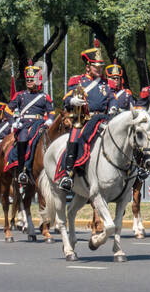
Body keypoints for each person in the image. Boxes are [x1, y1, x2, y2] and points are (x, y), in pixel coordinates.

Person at [58, 45, 113, 191]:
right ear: (88, 66)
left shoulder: (106, 84)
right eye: (96, 67)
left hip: (102, 120)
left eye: (101, 67)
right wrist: (72, 101)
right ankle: (67, 174)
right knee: (74, 138)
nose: (100, 70)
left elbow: (112, 98)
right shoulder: (78, 81)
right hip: (83, 120)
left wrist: (114, 107)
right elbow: (65, 99)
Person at [6, 63, 53, 184]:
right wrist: (13, 123)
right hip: (24, 125)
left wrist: (50, 120)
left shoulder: (44, 96)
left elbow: (51, 112)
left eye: (32, 80)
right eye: (28, 80)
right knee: (22, 139)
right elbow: (7, 110)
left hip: (40, 124)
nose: (29, 82)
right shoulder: (20, 95)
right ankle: (22, 171)